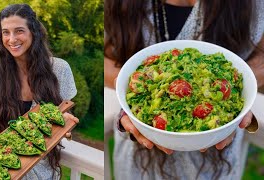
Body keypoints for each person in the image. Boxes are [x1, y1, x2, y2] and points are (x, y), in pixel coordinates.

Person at [105, 0, 264, 179]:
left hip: (217, 163)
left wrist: (237, 89)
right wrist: (130, 92)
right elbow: (106, 60)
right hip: (139, 162)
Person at [0, 4, 78, 179]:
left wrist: (65, 128)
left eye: (19, 31)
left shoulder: (60, 69)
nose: (11, 39)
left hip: (46, 172)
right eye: (5, 32)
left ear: (33, 32)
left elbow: (63, 120)